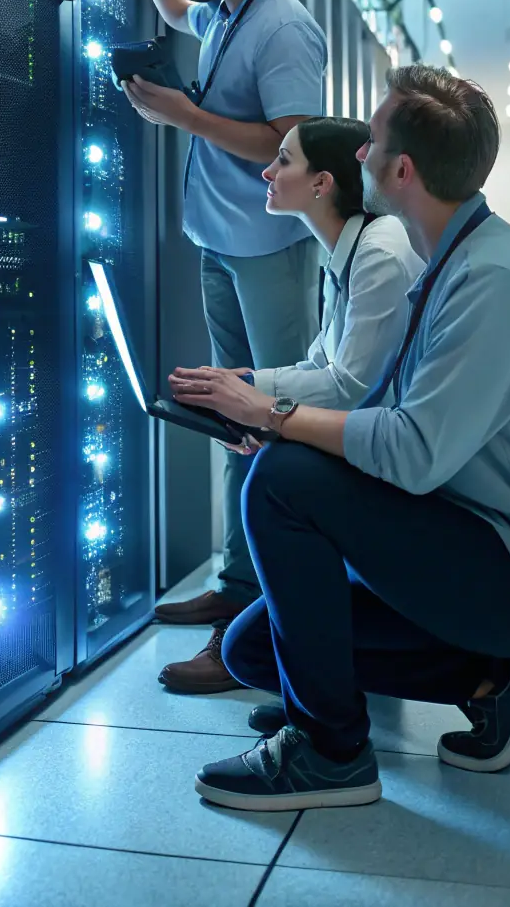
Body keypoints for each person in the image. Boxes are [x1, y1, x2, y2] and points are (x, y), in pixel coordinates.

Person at [169, 65, 510, 812]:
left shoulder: (494, 280)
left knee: (282, 482)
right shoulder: (450, 261)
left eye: (372, 142)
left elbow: (411, 451)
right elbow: (383, 405)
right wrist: (269, 417)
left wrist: (275, 417)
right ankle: (497, 680)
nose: (359, 153)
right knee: (255, 649)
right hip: (486, 530)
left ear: (403, 170)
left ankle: (331, 753)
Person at [95, 0, 327, 677]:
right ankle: (237, 590)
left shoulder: (285, 29)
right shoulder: (226, 9)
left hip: (268, 251)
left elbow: (294, 146)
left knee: (278, 425)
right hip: (221, 244)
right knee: (235, 421)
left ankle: (272, 627)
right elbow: (175, 4)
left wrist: (185, 115)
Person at [157, 116, 423, 694]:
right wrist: (244, 383)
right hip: (373, 439)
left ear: (322, 183)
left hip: (398, 460)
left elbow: (353, 386)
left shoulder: (379, 253)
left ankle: (293, 667)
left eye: (283, 160)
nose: (267, 172)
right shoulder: (349, 250)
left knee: (276, 473)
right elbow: (320, 364)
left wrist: (258, 405)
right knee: (267, 449)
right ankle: (294, 658)